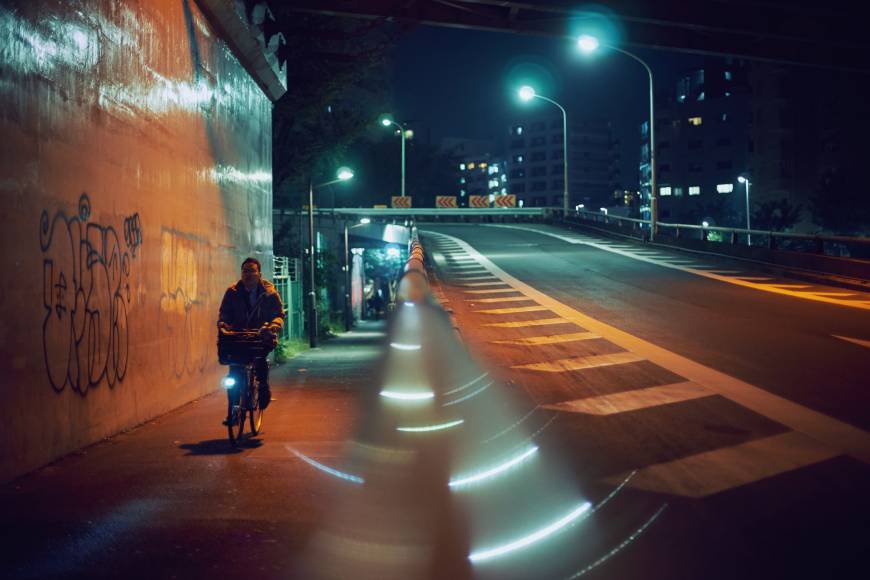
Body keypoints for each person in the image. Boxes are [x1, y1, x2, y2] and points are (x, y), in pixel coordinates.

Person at [218, 257, 285, 425]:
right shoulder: (232, 292)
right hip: (238, 337)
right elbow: (224, 313)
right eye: (245, 271)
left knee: (259, 360)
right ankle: (233, 412)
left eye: (252, 271)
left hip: (260, 336)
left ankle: (263, 388)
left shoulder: (269, 294)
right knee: (233, 373)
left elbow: (279, 314)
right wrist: (223, 324)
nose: (248, 274)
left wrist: (272, 326)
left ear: (259, 274)